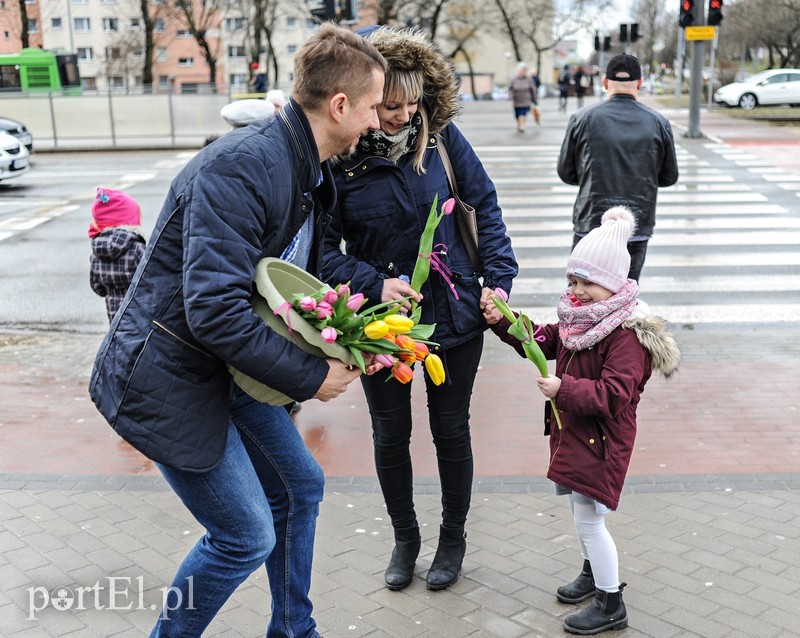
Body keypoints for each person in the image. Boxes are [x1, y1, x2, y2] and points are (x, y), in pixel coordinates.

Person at [89, 23, 386, 638]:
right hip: (170, 376)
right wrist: (312, 375)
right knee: (244, 534)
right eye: (373, 108)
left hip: (224, 366)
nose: (377, 122)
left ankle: (292, 629)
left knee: (299, 486)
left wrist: (363, 313)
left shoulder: (304, 166)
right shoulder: (243, 167)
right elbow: (215, 311)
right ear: (339, 105)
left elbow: (297, 267)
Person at [321, 26, 518, 593]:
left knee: (451, 429)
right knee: (390, 433)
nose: (403, 116)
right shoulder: (341, 162)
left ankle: (452, 538)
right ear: (364, 98)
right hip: (383, 326)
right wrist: (372, 283)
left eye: (413, 104)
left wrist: (497, 281)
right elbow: (323, 252)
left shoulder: (444, 140)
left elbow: (485, 204)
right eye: (389, 106)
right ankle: (406, 538)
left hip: (455, 317)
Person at [485, 207, 681, 635]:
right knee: (583, 513)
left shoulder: (626, 334)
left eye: (585, 283)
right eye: (572, 281)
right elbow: (545, 339)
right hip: (579, 435)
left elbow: (615, 396)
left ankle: (611, 602)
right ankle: (594, 575)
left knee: (590, 518)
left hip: (602, 440)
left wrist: (564, 390)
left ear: (611, 283)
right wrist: (504, 321)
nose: (576, 292)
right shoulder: (584, 320)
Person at [557, 54, 679, 283]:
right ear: (640, 83)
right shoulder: (658, 121)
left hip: (590, 221)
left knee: (581, 298)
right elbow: (669, 176)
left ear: (605, 83)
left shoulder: (582, 118)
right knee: (625, 299)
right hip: (636, 225)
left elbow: (566, 172)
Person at [88, 187, 146, 322]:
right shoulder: (138, 249)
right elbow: (149, 281)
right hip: (139, 315)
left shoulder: (97, 253)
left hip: (114, 318)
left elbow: (98, 287)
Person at [508, 61, 538, 132]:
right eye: (520, 70)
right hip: (517, 101)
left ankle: (522, 126)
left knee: (523, 113)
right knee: (517, 115)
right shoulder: (514, 80)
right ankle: (520, 124)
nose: (522, 72)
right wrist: (510, 96)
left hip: (526, 100)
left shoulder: (529, 80)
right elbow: (510, 89)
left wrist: (534, 99)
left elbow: (533, 90)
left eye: (523, 70)